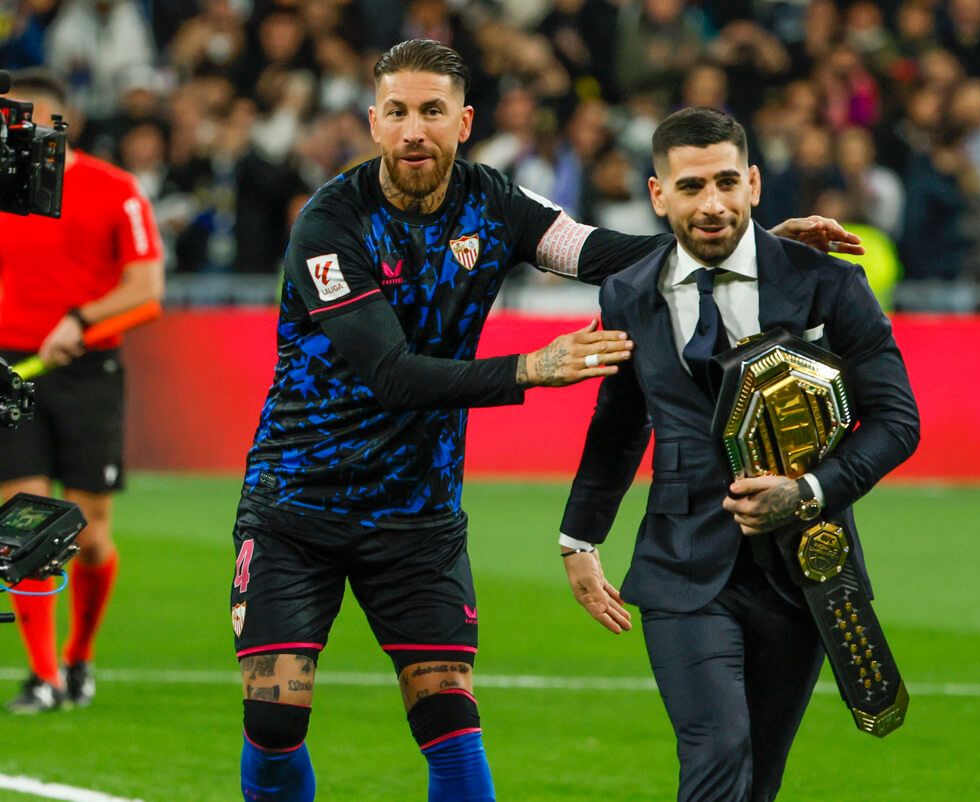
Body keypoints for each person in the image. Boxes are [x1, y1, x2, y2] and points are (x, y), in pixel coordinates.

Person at [229, 40, 863, 802]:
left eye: (432, 111)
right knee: (276, 718)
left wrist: (738, 243)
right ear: (373, 121)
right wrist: (533, 366)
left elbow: (603, 253)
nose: (413, 131)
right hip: (298, 504)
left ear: (464, 122)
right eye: (396, 111)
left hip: (416, 516)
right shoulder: (329, 226)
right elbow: (390, 375)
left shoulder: (495, 203)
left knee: (449, 716)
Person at [558, 107, 920, 802]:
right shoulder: (629, 294)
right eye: (691, 186)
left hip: (803, 572)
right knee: (718, 754)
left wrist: (810, 490)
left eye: (727, 181)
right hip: (680, 565)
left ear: (753, 183)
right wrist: (580, 537)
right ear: (659, 195)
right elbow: (619, 422)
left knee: (758, 779)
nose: (713, 203)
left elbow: (897, 421)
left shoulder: (827, 283)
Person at [0, 69, 166, 714]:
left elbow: (147, 291)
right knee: (22, 522)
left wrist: (84, 318)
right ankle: (42, 678)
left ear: (56, 122)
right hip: (14, 371)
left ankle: (79, 658)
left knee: (90, 535)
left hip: (88, 371)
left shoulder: (114, 191)